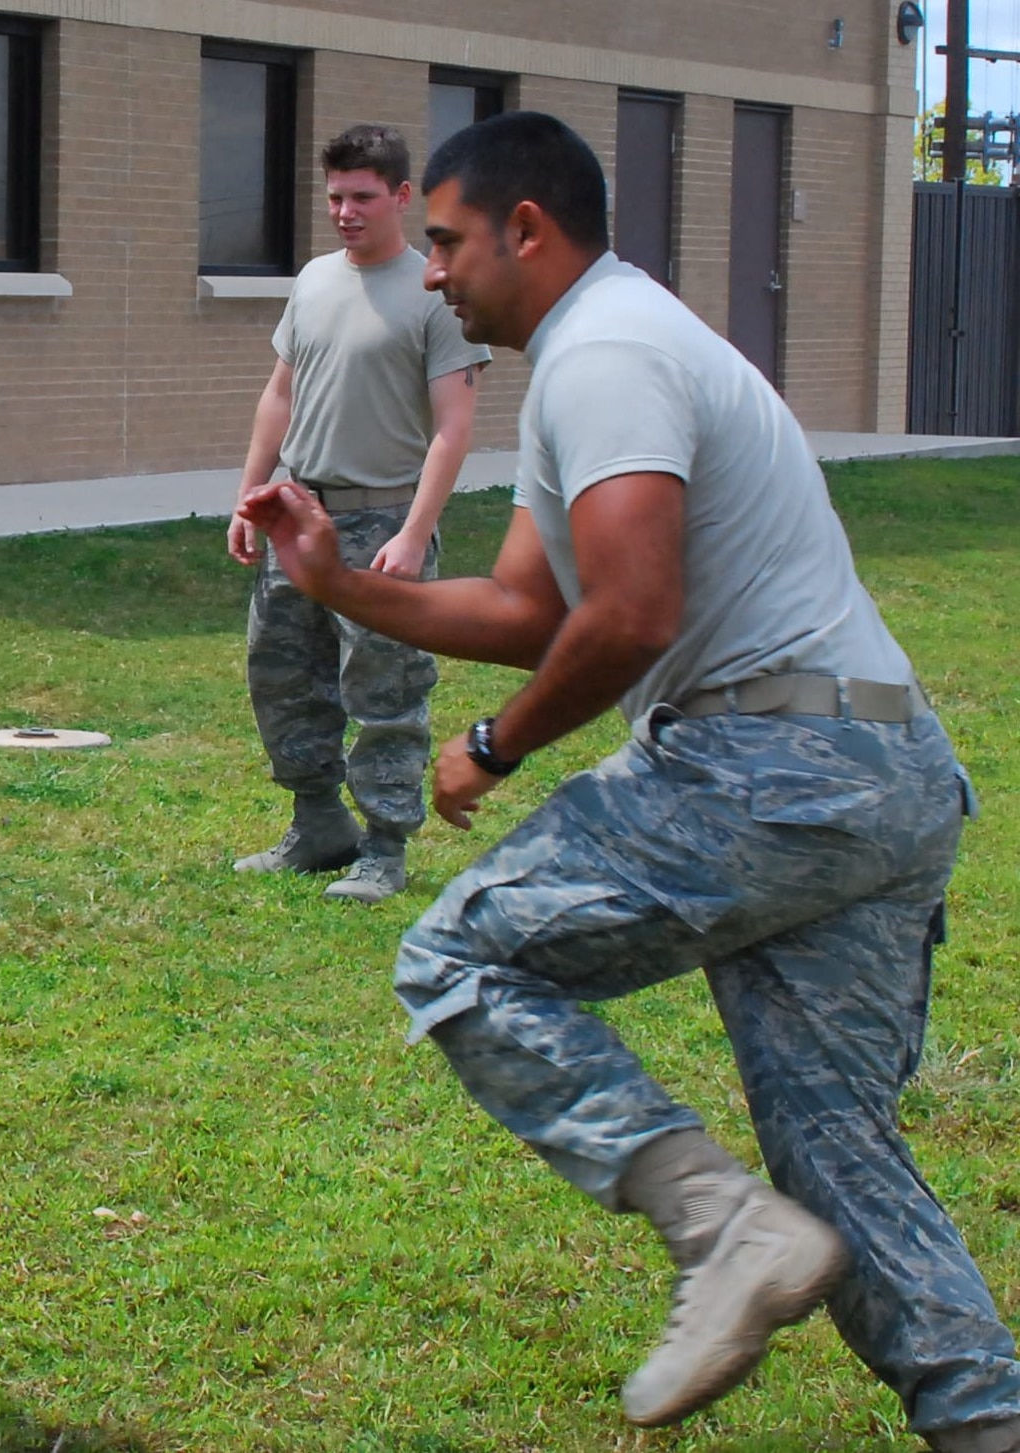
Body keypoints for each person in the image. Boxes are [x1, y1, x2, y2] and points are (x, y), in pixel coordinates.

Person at [238, 112, 1020, 1448]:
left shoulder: (606, 353)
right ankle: (988, 1417)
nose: (432, 275)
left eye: (447, 241)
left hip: (776, 763)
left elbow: (635, 615)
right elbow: (525, 608)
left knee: (463, 958)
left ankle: (720, 1232)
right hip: (883, 775)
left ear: (527, 229)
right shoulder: (621, 348)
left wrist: (496, 744)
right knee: (837, 1148)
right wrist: (333, 579)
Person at [227, 122, 488, 904]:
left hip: (382, 523)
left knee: (385, 688)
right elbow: (281, 394)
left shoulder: (433, 291)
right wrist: (251, 496)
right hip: (298, 511)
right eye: (335, 196)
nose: (345, 211)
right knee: (283, 675)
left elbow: (455, 426)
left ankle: (384, 846)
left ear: (402, 197)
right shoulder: (312, 280)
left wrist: (413, 533)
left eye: (362, 197)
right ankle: (318, 825)